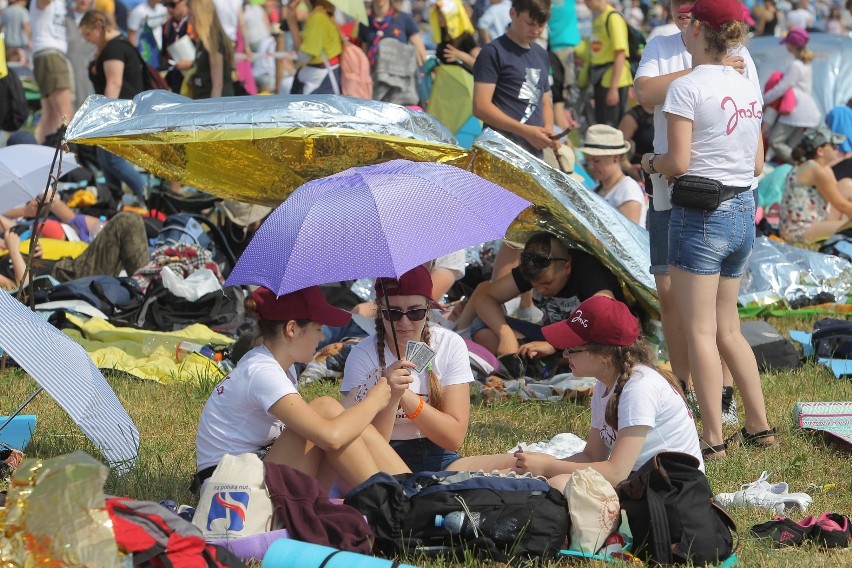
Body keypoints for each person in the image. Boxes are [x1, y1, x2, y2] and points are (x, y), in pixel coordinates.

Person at [639, 0, 775, 459]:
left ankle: (713, 437)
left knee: (699, 330)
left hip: (700, 214)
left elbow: (676, 162)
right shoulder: (746, 86)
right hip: (742, 211)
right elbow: (758, 161)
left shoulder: (686, 88)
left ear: (696, 29)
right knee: (729, 329)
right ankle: (759, 425)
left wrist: (648, 162)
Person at [451, 296, 702, 488]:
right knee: (513, 471)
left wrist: (548, 466)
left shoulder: (639, 387)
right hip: (638, 480)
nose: (565, 354)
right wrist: (539, 466)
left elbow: (616, 472)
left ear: (604, 355)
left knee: (558, 485)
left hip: (670, 489)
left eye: (572, 349)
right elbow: (592, 454)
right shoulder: (606, 382)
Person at [194, 286, 410, 493]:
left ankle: (412, 494)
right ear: (292, 329)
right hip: (232, 492)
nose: (323, 338)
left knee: (342, 421)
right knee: (325, 409)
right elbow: (330, 437)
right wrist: (373, 401)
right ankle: (395, 505)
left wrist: (383, 400)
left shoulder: (278, 366)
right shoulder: (262, 372)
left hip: (245, 475)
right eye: (318, 329)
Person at [341, 266, 474, 473]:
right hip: (382, 458)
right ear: (379, 312)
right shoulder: (362, 355)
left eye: (415, 312)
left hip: (438, 456)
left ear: (428, 310)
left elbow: (453, 438)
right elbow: (367, 442)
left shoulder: (450, 344)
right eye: (392, 313)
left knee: (512, 470)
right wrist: (390, 394)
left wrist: (406, 396)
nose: (404, 322)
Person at [454, 231, 623, 357]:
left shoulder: (589, 272)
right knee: (481, 325)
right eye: (535, 285)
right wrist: (506, 335)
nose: (541, 290)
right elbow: (484, 297)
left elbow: (606, 316)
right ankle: (529, 363)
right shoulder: (535, 266)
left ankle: (548, 365)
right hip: (549, 338)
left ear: (567, 267)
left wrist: (555, 346)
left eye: (547, 283)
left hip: (590, 344)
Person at [78, 9, 149, 205]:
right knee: (105, 160)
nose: (87, 39)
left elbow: (114, 83)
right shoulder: (111, 47)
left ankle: (145, 195)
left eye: (88, 34)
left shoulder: (114, 49)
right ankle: (114, 199)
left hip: (119, 111)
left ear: (99, 27)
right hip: (120, 109)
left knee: (113, 161)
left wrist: (106, 116)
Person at [471, 0, 558, 159]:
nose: (536, 30)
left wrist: (548, 131)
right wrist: (525, 131)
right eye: (530, 23)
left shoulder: (541, 54)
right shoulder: (493, 52)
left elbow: (545, 100)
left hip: (533, 153)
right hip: (499, 152)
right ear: (513, 13)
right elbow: (480, 106)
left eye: (541, 24)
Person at [779, 125, 852, 243]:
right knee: (849, 225)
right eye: (833, 146)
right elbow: (840, 205)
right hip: (799, 230)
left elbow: (837, 195)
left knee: (846, 185)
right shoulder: (816, 171)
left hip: (815, 219)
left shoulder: (820, 167)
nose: (837, 149)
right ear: (820, 151)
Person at [763, 28, 821, 165]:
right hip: (808, 110)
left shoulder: (795, 65)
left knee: (775, 141)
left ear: (792, 45)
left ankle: (801, 164)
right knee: (793, 145)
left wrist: (763, 100)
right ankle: (799, 166)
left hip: (795, 111)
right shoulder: (806, 63)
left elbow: (781, 88)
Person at [580, 124, 647, 227]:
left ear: (615, 158)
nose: (591, 166)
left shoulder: (627, 190)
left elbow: (628, 235)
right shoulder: (598, 189)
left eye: (596, 161)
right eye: (588, 160)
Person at [30, 0, 75, 144]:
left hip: (50, 55)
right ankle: (64, 156)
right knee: (65, 113)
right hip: (50, 55)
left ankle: (37, 154)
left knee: (49, 115)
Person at [582, 0, 632, 127]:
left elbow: (620, 53)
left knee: (612, 126)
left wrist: (613, 88)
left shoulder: (613, 17)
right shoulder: (597, 18)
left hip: (614, 80)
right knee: (602, 124)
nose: (585, 3)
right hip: (600, 78)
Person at [287, 0, 343, 94]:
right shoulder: (324, 15)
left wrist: (292, 25)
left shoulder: (317, 18)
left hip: (319, 81)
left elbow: (304, 57)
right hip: (324, 78)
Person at [187, 0, 235, 98]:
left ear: (200, 16)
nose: (190, 20)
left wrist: (212, 111)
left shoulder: (214, 42)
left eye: (191, 15)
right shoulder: (205, 41)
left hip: (214, 104)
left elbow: (217, 85)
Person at [160, 0, 194, 94]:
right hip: (176, 79)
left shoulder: (195, 22)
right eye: (165, 4)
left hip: (196, 77)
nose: (169, 8)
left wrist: (191, 63)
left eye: (172, 4)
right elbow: (164, 55)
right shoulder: (167, 25)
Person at [618, 101, 656, 184]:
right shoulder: (633, 116)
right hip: (641, 173)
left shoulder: (671, 114)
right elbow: (617, 147)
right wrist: (629, 167)